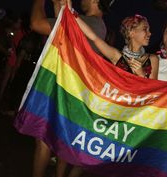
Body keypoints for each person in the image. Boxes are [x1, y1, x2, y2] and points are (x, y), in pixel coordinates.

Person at [30, 0, 114, 177]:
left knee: (44, 140)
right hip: (70, 91)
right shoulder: (96, 25)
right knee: (60, 143)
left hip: (60, 88)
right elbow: (62, 19)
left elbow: (37, 24)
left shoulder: (91, 24)